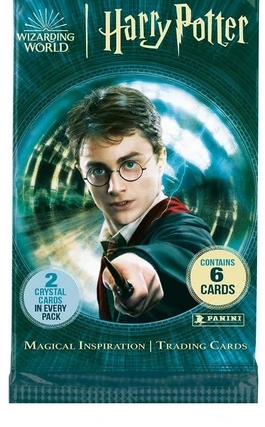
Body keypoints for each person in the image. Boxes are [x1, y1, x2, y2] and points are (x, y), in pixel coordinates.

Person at [65, 85, 215, 323]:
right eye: (97, 170)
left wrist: (142, 263)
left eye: (130, 165)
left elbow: (188, 251)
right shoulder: (114, 240)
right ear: (81, 172)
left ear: (160, 159)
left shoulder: (181, 225)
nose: (115, 187)